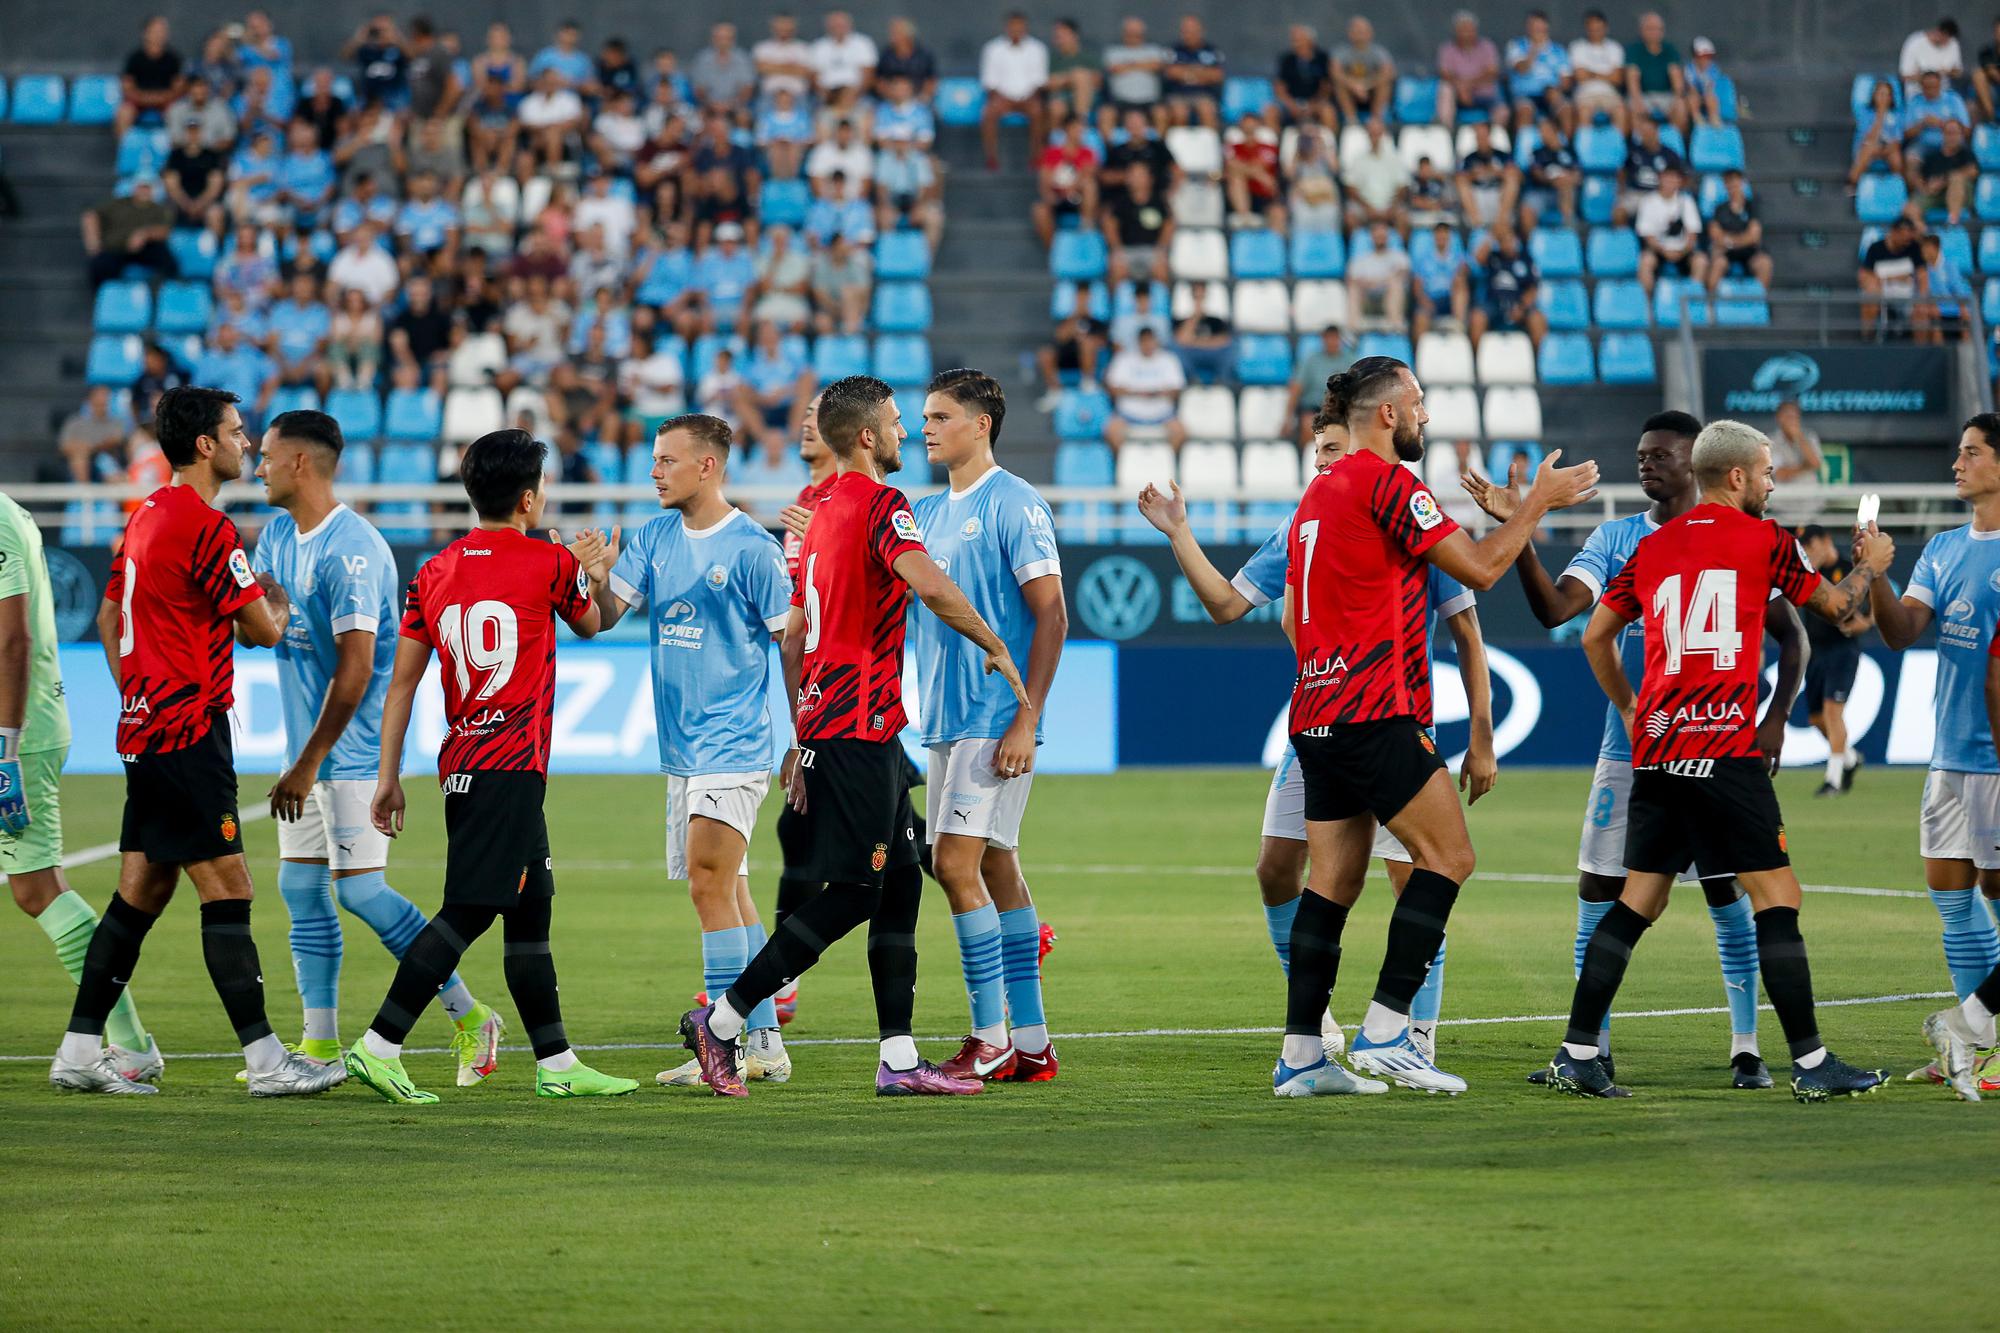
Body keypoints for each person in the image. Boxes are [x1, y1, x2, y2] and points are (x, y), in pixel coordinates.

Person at [675, 375, 1028, 1098]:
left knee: (901, 882)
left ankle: (898, 1059)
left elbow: (797, 633)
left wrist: (801, 734)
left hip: (840, 725)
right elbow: (926, 581)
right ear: (867, 436)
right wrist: (993, 642)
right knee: (853, 892)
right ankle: (723, 1019)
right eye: (899, 422)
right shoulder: (879, 504)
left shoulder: (817, 511)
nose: (906, 433)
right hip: (859, 727)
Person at [1270, 356, 1597, 1096]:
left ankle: (1303, 1057)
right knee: (1449, 857)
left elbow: (1295, 611)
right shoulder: (1390, 483)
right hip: (1376, 710)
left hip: (1317, 715)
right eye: (1416, 402)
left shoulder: (1318, 493)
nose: (1423, 414)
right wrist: (1536, 503)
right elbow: (1480, 570)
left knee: (1333, 883)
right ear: (1387, 414)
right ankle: (1389, 1027)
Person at [1140, 399, 1496, 1074]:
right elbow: (1231, 605)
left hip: (1390, 713)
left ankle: (1415, 1031)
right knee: (1281, 866)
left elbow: (1467, 631)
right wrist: (1179, 531)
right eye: (1318, 454)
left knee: (1410, 868)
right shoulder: (1303, 522)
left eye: (1333, 449)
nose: (1325, 463)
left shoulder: (1399, 513)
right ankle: (1314, 1030)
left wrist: (1481, 733)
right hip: (1325, 714)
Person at [1542, 420, 1893, 1101]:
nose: (1770, 482)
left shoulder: (1655, 545)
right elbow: (1836, 608)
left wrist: (1634, 706)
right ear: (1736, 476)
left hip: (1661, 749)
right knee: (1778, 896)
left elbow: (1594, 636)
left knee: (1637, 901)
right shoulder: (1765, 541)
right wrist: (1871, 563)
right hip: (1724, 749)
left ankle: (1578, 1049)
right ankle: (1813, 1062)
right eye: (1765, 472)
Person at [1462, 412, 1807, 1088]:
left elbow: (1792, 632)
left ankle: (1747, 1046)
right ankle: (1591, 1048)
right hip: (1630, 752)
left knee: (1725, 892)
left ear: (1700, 461)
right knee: (1601, 887)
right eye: (1642, 454)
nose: (1646, 464)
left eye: (1662, 454)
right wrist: (1524, 528)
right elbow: (1559, 610)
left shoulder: (1740, 539)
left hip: (1712, 746)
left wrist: (1775, 717)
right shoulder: (1621, 537)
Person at [53, 387, 336, 1097]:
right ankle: (269, 1060)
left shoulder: (145, 514)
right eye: (238, 433)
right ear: (206, 445)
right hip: (188, 729)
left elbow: (112, 612)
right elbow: (263, 628)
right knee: (229, 885)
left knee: (140, 889)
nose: (248, 444)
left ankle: (79, 1048)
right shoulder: (206, 527)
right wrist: (275, 594)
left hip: (146, 726)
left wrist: (138, 693)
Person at [341, 430, 637, 1104]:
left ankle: (557, 1061)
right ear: (529, 498)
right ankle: (379, 1044)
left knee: (532, 909)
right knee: (469, 910)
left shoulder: (434, 571)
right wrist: (595, 570)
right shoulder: (548, 562)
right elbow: (595, 623)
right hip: (510, 766)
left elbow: (402, 685)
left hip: (464, 763)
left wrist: (389, 776)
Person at [247, 409, 504, 1081]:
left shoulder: (353, 549)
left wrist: (307, 764)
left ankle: (471, 1016)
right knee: (300, 888)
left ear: (301, 462)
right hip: (301, 756)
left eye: (268, 455)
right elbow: (270, 623)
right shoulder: (276, 537)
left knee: (361, 893)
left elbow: (357, 669)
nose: (258, 465)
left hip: (351, 755)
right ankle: (320, 1047)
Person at [581, 415, 797, 1088]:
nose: (654, 471)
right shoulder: (653, 537)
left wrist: (801, 738)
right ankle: (763, 1042)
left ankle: (721, 1043)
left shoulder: (754, 548)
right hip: (683, 748)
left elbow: (793, 645)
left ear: (707, 466)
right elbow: (601, 620)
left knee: (708, 883)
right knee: (729, 885)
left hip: (733, 743)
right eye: (653, 460)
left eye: (666, 460)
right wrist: (593, 577)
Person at [906, 370, 1066, 1083]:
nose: (927, 427)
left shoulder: (1014, 502)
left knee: (953, 865)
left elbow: (1052, 614)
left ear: (981, 424)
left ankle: (988, 1035)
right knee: (997, 866)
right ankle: (1030, 1043)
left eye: (940, 416)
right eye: (925, 416)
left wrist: (1025, 719)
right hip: (944, 716)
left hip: (992, 717)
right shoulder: (930, 511)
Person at [2, 487, 162, 1085]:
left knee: (38, 888)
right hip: (20, 726)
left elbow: (13, 638)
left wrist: (6, 749)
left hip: (19, 731)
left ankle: (125, 1042)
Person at [1864, 415, 2000, 1089]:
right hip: (1950, 756)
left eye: (1971, 453)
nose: (1958, 462)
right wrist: (1877, 575)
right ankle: (1971, 1048)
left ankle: (1985, 1042)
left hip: (1999, 760)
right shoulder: (1944, 548)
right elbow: (1900, 633)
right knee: (1951, 899)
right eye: (1958, 451)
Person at [1796, 525, 1872, 799]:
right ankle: (1849, 759)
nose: (1807, 550)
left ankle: (1833, 779)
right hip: (1815, 652)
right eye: (1803, 546)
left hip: (1842, 650)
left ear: (1826, 540)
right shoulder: (1806, 573)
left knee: (1832, 712)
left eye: (1810, 544)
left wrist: (1867, 622)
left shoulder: (1847, 568)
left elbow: (1879, 596)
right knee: (1816, 718)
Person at [979, 12, 1049, 172]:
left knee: (1039, 112)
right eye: (1013, 27)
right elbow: (989, 81)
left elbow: (1040, 81)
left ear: (1025, 28)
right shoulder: (992, 48)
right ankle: (991, 158)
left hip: (1029, 98)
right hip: (1002, 98)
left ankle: (1036, 158)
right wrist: (1004, 98)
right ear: (1007, 27)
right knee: (988, 113)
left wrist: (1026, 98)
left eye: (1020, 27)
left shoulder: (1037, 48)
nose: (1016, 30)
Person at [82, 176, 177, 290]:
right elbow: (90, 216)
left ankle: (165, 292)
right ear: (134, 188)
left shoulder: (159, 209)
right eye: (141, 187)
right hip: (116, 249)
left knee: (166, 259)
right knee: (100, 264)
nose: (144, 191)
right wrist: (93, 242)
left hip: (146, 248)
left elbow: (165, 231)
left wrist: (145, 234)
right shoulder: (118, 204)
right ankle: (103, 296)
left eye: (148, 187)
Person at [1102, 325, 1187, 451]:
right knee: (1111, 430)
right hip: (1129, 414)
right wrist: (1139, 393)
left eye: (1151, 340)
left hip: (1162, 414)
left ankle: (1169, 464)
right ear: (1138, 342)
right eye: (1144, 341)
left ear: (1156, 341)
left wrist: (1154, 393)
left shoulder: (1169, 359)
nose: (1148, 345)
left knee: (1180, 431)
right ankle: (1122, 465)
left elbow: (1176, 390)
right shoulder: (1124, 359)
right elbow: (1113, 388)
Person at [1468, 224, 1547, 348]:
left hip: (1518, 304)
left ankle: (1540, 362)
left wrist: (1521, 307)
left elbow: (1533, 289)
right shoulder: (1493, 257)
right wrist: (1492, 235)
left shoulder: (1526, 260)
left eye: (1511, 239)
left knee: (1537, 319)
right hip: (1494, 305)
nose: (1508, 243)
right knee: (1477, 317)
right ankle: (1476, 361)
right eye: (1504, 240)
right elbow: (1477, 259)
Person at [1635, 165, 1703, 296]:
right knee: (1645, 262)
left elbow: (1692, 233)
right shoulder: (1648, 201)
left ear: (1679, 181)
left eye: (1674, 178)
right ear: (1660, 179)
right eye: (1667, 177)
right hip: (1659, 249)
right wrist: (1664, 251)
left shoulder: (1686, 201)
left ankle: (1694, 303)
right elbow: (1648, 235)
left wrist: (1683, 251)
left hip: (1683, 250)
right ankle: (1648, 308)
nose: (1671, 181)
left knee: (1701, 261)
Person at [1858, 215, 1930, 337]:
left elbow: (1922, 276)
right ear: (1894, 232)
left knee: (1921, 312)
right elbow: (1864, 276)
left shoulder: (1914, 248)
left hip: (1907, 297)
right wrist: (1895, 278)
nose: (1908, 240)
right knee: (1869, 300)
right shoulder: (1875, 249)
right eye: (1904, 235)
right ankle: (1866, 339)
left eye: (1910, 236)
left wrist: (1921, 300)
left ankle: (1921, 351)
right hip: (1881, 294)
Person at [1435, 10, 1506, 130]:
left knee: (1503, 111)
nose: (1467, 33)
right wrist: (1460, 87)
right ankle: (1446, 133)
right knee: (1445, 89)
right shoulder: (1447, 49)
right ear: (1456, 31)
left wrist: (1468, 86)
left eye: (1469, 29)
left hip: (1484, 93)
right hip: (1458, 95)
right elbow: (1445, 74)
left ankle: (1493, 140)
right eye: (1463, 30)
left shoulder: (1487, 47)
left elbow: (1492, 72)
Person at [118, 16, 187, 138]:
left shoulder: (174, 59)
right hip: (139, 101)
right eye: (155, 31)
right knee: (124, 113)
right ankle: (126, 151)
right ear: (146, 33)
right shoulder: (134, 58)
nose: (159, 35)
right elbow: (127, 88)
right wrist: (145, 98)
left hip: (165, 101)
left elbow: (179, 89)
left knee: (177, 113)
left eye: (162, 31)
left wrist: (160, 99)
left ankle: (175, 153)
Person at [1507, 10, 1573, 135]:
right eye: (1532, 26)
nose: (1536, 29)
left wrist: (1555, 90)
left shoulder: (1558, 50)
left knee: (1566, 109)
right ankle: (1523, 152)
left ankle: (1565, 151)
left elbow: (1566, 82)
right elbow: (1522, 68)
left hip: (1551, 95)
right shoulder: (1517, 45)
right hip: (1525, 95)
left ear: (1546, 26)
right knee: (1525, 111)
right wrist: (1534, 49)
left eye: (1539, 26)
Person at [1706, 169, 1772, 292]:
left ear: (1742, 183)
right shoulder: (1719, 208)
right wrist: (1743, 237)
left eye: (1735, 182)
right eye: (1729, 182)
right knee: (1717, 263)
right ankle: (1711, 305)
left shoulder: (1752, 206)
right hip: (1727, 253)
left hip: (1748, 252)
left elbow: (1754, 236)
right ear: (1725, 185)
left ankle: (1760, 304)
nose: (1732, 186)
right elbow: (1715, 235)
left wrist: (1729, 240)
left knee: (1764, 263)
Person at [1624, 11, 1686, 133]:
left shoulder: (1669, 49)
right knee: (1634, 107)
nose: (1654, 32)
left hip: (1666, 95)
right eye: (1650, 29)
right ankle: (1641, 147)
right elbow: (1632, 79)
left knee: (1681, 107)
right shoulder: (1634, 50)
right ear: (1641, 30)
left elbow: (1676, 78)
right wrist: (1638, 100)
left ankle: (1674, 146)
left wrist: (1678, 98)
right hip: (1644, 96)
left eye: (1658, 29)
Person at [1909, 118, 1978, 226]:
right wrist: (1927, 187)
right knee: (1909, 208)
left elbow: (1973, 171)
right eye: (1949, 133)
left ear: (1961, 135)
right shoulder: (1932, 156)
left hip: (1961, 195)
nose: (1953, 137)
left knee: (1956, 178)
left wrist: (1943, 182)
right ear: (1943, 134)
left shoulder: (1966, 153)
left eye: (1956, 133)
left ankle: (1952, 223)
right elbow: (1920, 178)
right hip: (1936, 195)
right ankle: (1924, 236)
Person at [1568, 9, 1628, 133]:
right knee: (1583, 112)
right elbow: (1579, 76)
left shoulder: (1615, 48)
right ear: (1586, 28)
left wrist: (1591, 73)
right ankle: (1583, 151)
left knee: (1620, 111)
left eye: (1598, 29)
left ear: (1605, 28)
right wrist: (1606, 75)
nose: (1595, 32)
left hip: (1610, 93)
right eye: (1592, 29)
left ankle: (1618, 151)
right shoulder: (1577, 47)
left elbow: (1618, 78)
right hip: (1585, 94)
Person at [1163, 15, 1225, 129]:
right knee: (1179, 113)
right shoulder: (1174, 50)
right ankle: (1178, 146)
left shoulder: (1211, 50)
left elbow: (1217, 75)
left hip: (1204, 95)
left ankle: (1210, 145)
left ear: (1201, 31)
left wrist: (1185, 73)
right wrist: (1201, 72)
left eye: (1193, 31)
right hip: (1179, 94)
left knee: (1207, 110)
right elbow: (1171, 72)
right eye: (1186, 31)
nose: (1189, 35)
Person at [1330, 17, 1394, 126]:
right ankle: (1351, 119)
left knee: (1385, 84)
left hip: (1371, 91)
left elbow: (1388, 72)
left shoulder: (1379, 52)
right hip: (1351, 93)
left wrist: (1366, 85)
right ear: (1350, 33)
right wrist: (1354, 86)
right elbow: (1335, 72)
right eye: (1356, 31)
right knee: (1339, 85)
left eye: (1362, 31)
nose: (1359, 35)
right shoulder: (1341, 52)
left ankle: (1376, 119)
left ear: (1370, 33)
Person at [1275, 24, 1331, 126]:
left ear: (1310, 41)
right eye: (1293, 39)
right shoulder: (1287, 59)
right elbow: (1280, 87)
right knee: (1271, 111)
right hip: (1292, 102)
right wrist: (1291, 105)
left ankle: (1329, 140)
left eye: (1299, 39)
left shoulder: (1322, 58)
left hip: (1315, 102)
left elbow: (1326, 86)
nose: (1295, 42)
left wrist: (1314, 105)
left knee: (1328, 112)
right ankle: (1275, 140)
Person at [1900, 18, 1965, 97]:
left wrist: (1948, 72)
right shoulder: (1915, 42)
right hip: (1918, 94)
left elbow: (1958, 72)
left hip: (1944, 94)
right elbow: (1905, 76)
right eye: (1945, 38)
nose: (1947, 43)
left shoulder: (1953, 43)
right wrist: (1928, 79)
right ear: (1938, 31)